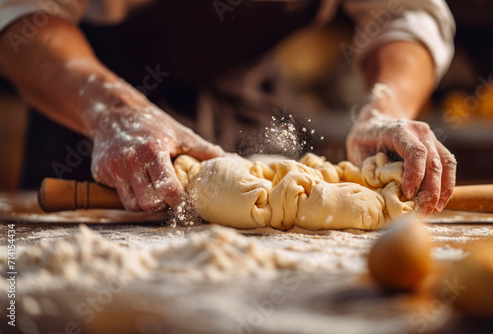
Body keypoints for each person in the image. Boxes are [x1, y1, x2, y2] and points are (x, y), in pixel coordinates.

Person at [0, 0, 457, 217]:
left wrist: (386, 103)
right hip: (96, 113)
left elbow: (404, 11)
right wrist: (114, 113)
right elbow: (20, 12)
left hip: (255, 106)